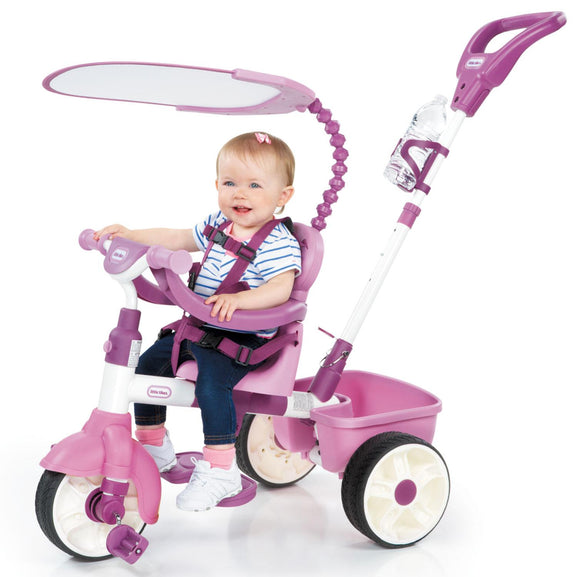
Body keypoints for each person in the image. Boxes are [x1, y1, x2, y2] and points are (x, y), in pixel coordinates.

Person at [94, 132, 301, 511]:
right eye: (230, 183)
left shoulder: (277, 243)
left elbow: (280, 288)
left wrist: (240, 300)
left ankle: (221, 470)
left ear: (282, 195)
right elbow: (177, 237)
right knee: (147, 366)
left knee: (211, 385)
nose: (240, 194)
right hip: (201, 327)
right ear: (217, 185)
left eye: (255, 185)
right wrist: (132, 235)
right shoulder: (218, 224)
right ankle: (154, 446)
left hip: (245, 338)